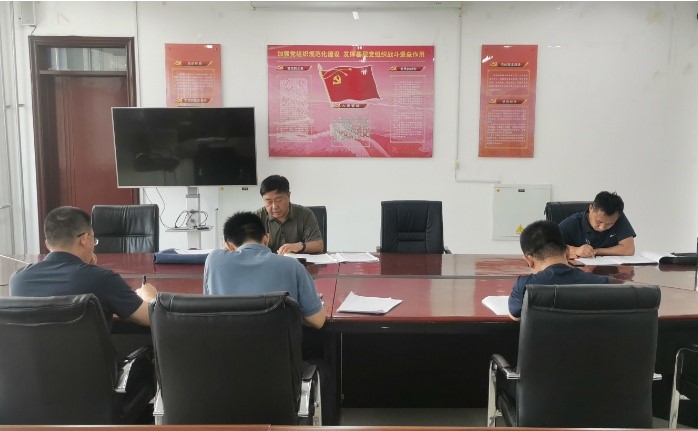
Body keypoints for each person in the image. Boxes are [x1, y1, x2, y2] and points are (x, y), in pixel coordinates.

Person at [10, 206, 157, 327]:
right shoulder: (102, 279)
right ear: (84, 240)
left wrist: (86, 268)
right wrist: (149, 295)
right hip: (89, 356)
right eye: (94, 239)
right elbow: (151, 318)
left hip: (34, 356)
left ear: (47, 244)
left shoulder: (18, 280)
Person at [204, 211, 324, 329]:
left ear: (229, 246)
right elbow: (318, 321)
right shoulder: (293, 266)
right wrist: (293, 311)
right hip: (277, 342)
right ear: (266, 239)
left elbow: (208, 310)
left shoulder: (213, 260)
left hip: (226, 341)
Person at [508, 220, 610, 320]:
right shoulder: (601, 284)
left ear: (529, 260)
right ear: (568, 253)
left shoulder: (524, 286)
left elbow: (515, 315)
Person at [255, 174, 324, 255]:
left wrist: (299, 246)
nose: (274, 207)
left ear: (289, 195)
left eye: (278, 200)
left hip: (297, 262)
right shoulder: (256, 218)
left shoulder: (305, 214)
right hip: (268, 261)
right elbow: (246, 247)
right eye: (269, 202)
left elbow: (319, 246)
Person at [559, 191, 636, 259]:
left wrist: (596, 251)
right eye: (599, 221)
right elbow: (552, 246)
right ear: (591, 208)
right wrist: (576, 250)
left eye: (609, 224)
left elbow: (629, 249)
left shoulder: (617, 217)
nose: (602, 228)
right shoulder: (572, 223)